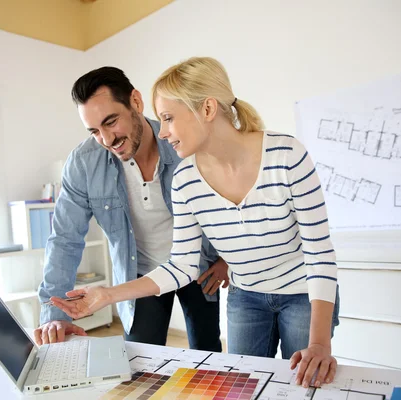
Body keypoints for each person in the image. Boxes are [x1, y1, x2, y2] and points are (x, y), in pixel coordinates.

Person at [50, 57, 340, 388]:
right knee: (240, 386)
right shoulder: (186, 178)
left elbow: (319, 254)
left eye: (169, 118)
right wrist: (107, 295)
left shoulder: (287, 155)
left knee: (302, 384)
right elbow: (182, 266)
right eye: (161, 120)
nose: (163, 131)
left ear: (207, 109)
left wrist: (319, 343)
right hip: (245, 297)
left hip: (302, 293)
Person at [35, 66, 227, 352]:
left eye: (111, 122)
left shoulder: (181, 143)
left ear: (136, 102)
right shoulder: (83, 163)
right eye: (94, 131)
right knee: (139, 360)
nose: (107, 139)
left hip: (197, 268)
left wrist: (226, 258)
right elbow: (65, 239)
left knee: (207, 352)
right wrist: (55, 315)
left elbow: (224, 202)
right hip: (139, 275)